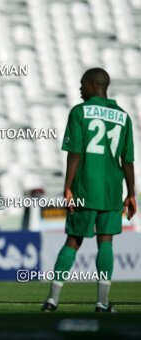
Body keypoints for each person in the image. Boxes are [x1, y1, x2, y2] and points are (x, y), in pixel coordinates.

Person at [42, 68, 136, 312]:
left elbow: (75, 153)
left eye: (83, 84)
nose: (80, 88)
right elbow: (127, 161)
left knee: (73, 240)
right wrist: (132, 193)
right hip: (111, 189)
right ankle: (102, 302)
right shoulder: (123, 116)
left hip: (85, 186)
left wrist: (67, 187)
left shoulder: (79, 112)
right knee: (106, 243)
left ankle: (52, 300)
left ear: (94, 85)